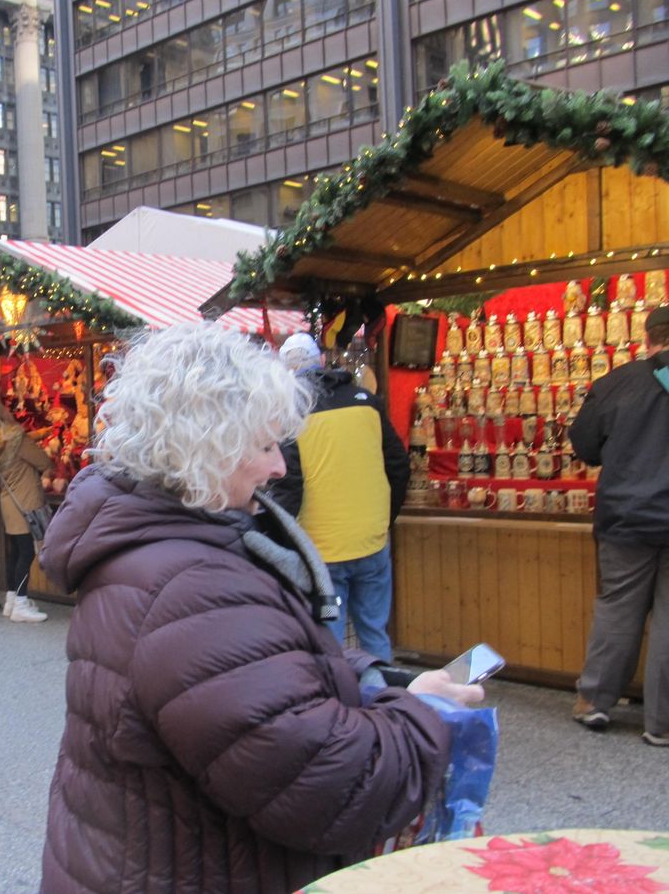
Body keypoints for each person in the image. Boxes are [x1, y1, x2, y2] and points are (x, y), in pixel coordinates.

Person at [38, 324, 481, 894]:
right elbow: (329, 785)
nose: (279, 466)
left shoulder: (165, 549)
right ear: (207, 445)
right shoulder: (191, 585)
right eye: (266, 445)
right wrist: (418, 714)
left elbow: (258, 679)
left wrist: (370, 679)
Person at [272, 331, 409, 662]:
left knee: (331, 642)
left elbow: (289, 486)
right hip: (372, 541)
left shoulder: (291, 414)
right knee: (374, 634)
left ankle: (343, 706)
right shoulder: (367, 403)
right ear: (321, 360)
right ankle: (387, 705)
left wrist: (282, 540)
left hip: (323, 553)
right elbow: (398, 466)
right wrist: (383, 518)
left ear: (285, 372)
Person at [568, 304, 669, 746]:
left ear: (647, 339)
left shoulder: (617, 382)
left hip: (626, 517)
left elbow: (585, 445)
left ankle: (595, 701)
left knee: (618, 609)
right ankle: (661, 723)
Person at [0, 400, 51, 623]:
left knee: (15, 552)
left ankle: (11, 600)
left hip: (8, 500)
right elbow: (42, 460)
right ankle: (21, 603)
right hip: (25, 500)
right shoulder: (16, 438)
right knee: (26, 552)